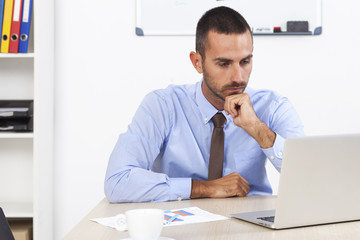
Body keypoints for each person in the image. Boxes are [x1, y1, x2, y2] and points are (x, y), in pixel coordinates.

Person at [104, 6, 304, 203]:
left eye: (245, 61)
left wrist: (257, 129)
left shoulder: (273, 106)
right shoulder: (163, 105)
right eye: (224, 64)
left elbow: (309, 178)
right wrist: (204, 188)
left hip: (250, 224)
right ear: (197, 62)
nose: (238, 77)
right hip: (180, 225)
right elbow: (118, 182)